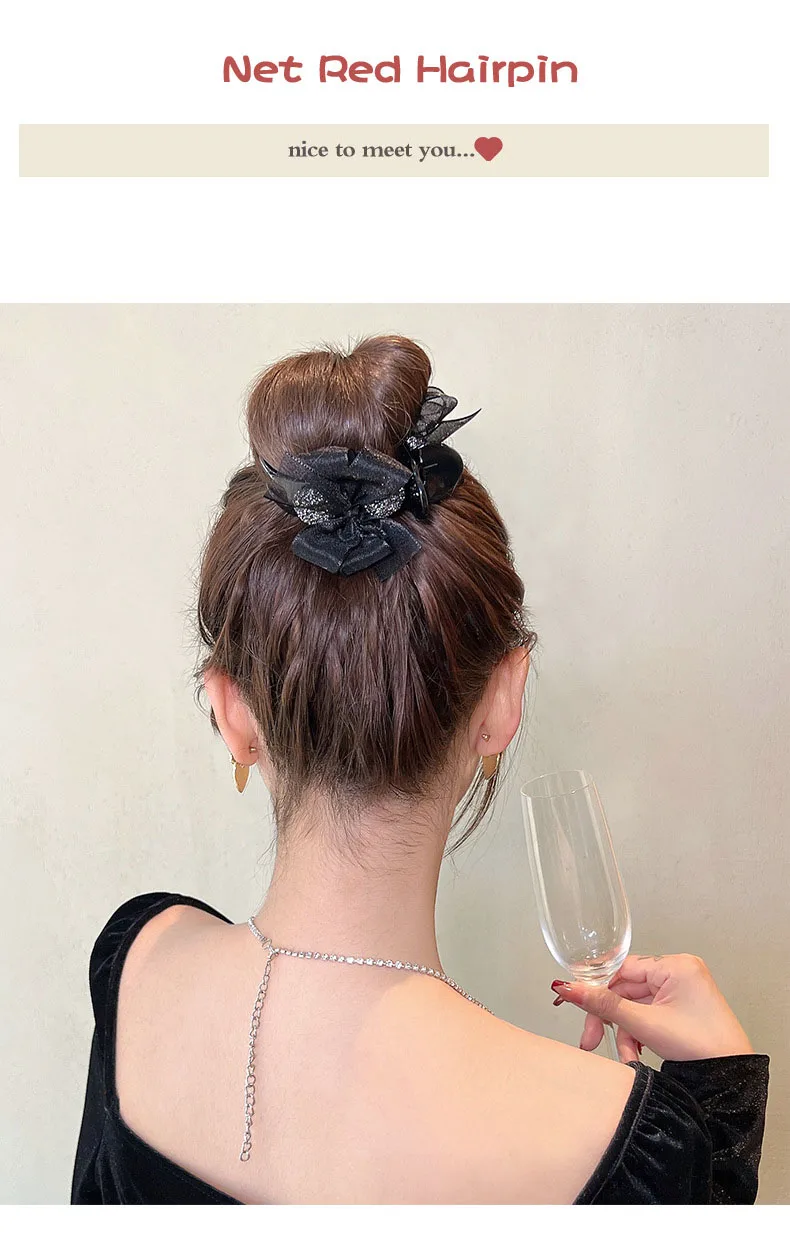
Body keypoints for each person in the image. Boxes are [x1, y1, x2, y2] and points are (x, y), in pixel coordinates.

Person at [71, 335, 769, 1205]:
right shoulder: (627, 1146)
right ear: (503, 699)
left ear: (231, 713)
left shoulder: (136, 961)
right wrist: (719, 1101)